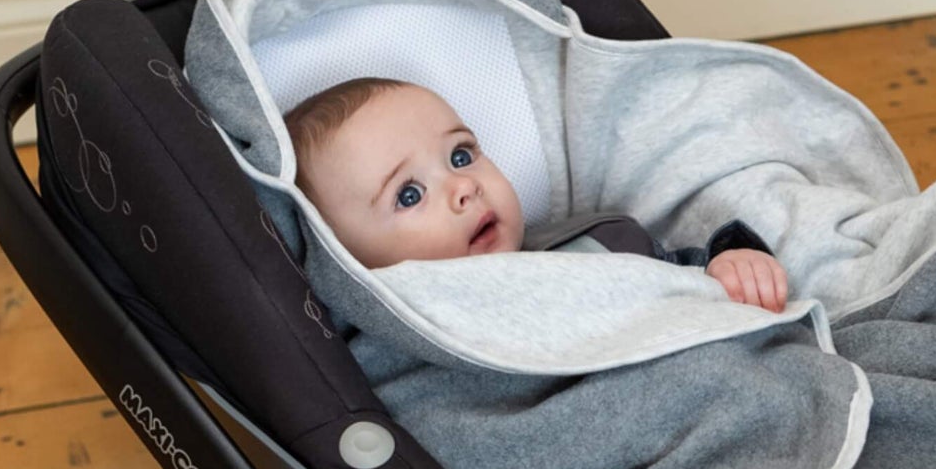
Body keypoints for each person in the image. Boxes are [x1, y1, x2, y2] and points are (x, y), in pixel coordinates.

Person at [284, 77, 789, 312]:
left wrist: (733, 262)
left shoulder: (597, 244)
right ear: (343, 258)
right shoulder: (385, 349)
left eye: (461, 156)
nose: (464, 186)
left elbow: (689, 276)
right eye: (410, 194)